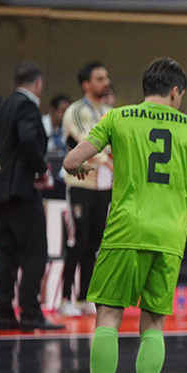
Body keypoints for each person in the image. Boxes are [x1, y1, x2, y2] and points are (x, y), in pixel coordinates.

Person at [63, 57, 187, 373]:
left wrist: (80, 169)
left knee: (109, 317)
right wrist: (177, 191)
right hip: (168, 236)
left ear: (147, 86)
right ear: (176, 91)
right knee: (153, 323)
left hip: (125, 230)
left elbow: (72, 160)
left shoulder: (118, 117)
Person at [0, 62, 64, 332]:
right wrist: (42, 170)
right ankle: (30, 311)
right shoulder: (27, 107)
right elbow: (29, 140)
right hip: (21, 191)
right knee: (34, 252)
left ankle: (5, 312)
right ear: (38, 83)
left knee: (7, 254)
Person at [59, 62, 113, 318]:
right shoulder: (77, 110)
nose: (106, 81)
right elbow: (87, 143)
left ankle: (83, 297)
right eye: (100, 78)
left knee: (94, 242)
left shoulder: (109, 111)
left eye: (106, 77)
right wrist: (108, 160)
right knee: (76, 241)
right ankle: (65, 297)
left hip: (102, 185)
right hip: (79, 183)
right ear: (86, 84)